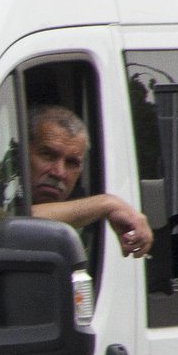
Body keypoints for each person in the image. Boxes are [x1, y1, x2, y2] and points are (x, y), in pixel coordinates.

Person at [23, 105, 153, 258]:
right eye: (48, 155)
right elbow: (14, 222)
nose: (59, 173)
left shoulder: (91, 222)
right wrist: (107, 203)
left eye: (72, 163)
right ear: (22, 152)